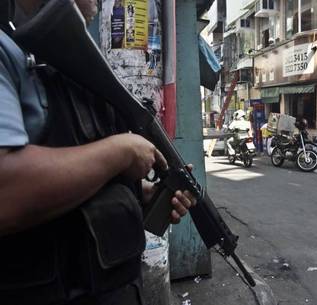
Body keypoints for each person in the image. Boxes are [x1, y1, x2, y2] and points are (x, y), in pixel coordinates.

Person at [0, 1, 195, 304]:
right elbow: (6, 193)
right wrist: (122, 151)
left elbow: (75, 169)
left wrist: (138, 194)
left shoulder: (59, 58)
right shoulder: (8, 51)